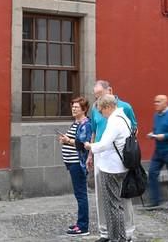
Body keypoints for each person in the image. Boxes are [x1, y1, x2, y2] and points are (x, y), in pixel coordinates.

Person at [87, 80, 136, 242]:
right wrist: (91, 155)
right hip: (103, 157)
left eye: (100, 96)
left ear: (110, 91)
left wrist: (90, 147)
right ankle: (106, 232)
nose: (97, 102)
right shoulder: (96, 108)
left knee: (119, 200)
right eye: (96, 96)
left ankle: (125, 233)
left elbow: (132, 132)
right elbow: (94, 130)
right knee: (104, 199)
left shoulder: (124, 109)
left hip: (114, 159)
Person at [58, 97, 93, 236]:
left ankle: (83, 227)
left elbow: (83, 144)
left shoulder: (85, 124)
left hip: (78, 164)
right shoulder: (76, 123)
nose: (73, 109)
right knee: (79, 194)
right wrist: (65, 140)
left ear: (84, 109)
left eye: (76, 107)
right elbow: (73, 141)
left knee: (81, 194)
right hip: (71, 163)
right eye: (72, 106)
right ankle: (80, 223)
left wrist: (68, 141)